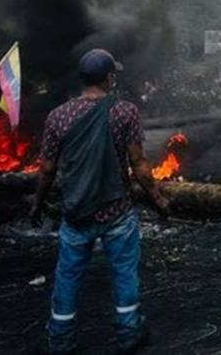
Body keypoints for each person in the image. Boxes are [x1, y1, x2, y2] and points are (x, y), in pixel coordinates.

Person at [30, 49, 169, 354]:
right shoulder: (125, 112)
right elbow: (139, 163)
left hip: (76, 213)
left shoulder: (58, 116)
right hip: (117, 211)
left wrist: (37, 204)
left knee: (67, 276)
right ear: (108, 78)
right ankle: (129, 333)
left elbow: (47, 169)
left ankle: (61, 339)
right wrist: (157, 198)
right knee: (124, 272)